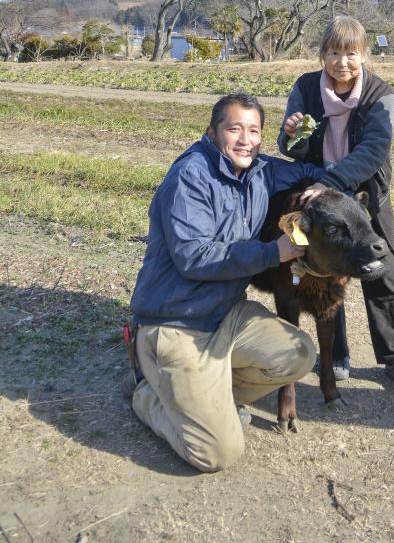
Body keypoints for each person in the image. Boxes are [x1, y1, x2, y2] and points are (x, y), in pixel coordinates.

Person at [128, 92, 325, 472]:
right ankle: (146, 393)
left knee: (298, 354)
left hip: (224, 316)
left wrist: (320, 187)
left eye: (254, 131)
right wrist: (273, 253)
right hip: (175, 322)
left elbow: (309, 171)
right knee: (217, 453)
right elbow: (193, 257)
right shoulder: (190, 176)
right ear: (213, 131)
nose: (245, 139)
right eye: (234, 128)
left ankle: (206, 397)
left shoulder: (260, 170)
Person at [277, 16, 394, 391]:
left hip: (364, 194)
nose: (342, 62)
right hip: (317, 196)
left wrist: (332, 182)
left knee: (382, 266)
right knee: (324, 268)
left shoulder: (379, 93)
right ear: (322, 55)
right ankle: (338, 353)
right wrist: (292, 135)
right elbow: (292, 148)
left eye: (351, 53)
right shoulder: (306, 87)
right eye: (333, 53)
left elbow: (374, 149)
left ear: (364, 55)